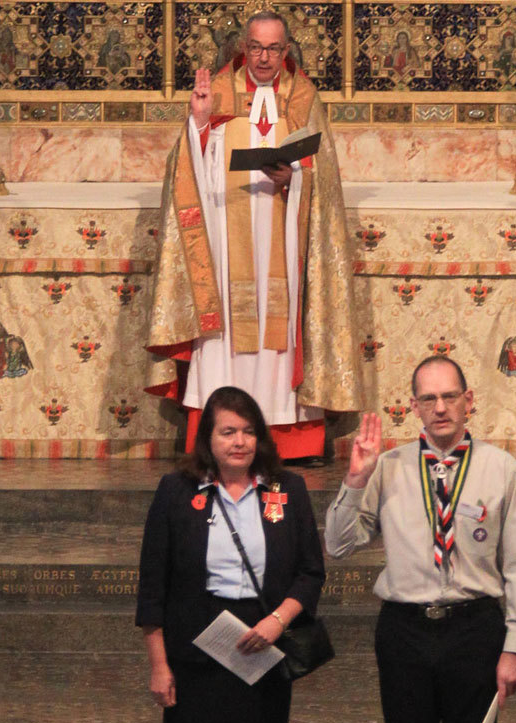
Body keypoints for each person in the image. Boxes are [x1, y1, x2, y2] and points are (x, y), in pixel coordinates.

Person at [147, 10, 362, 460]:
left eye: (275, 48)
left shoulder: (303, 96)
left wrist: (294, 178)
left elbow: (324, 177)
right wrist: (200, 124)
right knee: (226, 332)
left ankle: (286, 437)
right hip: (227, 238)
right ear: (243, 46)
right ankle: (217, 434)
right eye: (257, 47)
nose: (265, 57)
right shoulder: (218, 90)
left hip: (284, 235)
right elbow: (186, 171)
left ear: (287, 49)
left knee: (277, 328)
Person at [325, 355, 516, 723]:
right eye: (428, 398)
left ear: (468, 401)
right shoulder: (387, 467)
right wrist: (355, 478)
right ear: (413, 406)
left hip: (474, 630)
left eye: (449, 396)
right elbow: (338, 545)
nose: (440, 407)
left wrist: (514, 646)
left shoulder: (502, 469)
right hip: (405, 632)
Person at [137, 385, 326, 723]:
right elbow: (153, 586)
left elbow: (310, 572)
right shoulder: (176, 491)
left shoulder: (287, 489)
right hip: (197, 655)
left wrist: (277, 622)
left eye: (247, 431)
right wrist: (159, 665)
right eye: (227, 432)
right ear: (207, 438)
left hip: (262, 649)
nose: (239, 441)